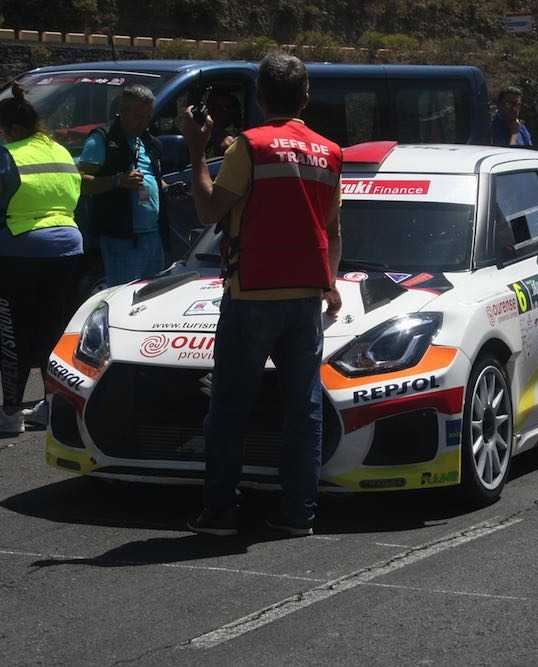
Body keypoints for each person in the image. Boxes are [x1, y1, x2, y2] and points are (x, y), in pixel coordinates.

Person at [181, 52, 343, 538]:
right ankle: (298, 514)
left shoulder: (249, 147)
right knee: (303, 408)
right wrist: (331, 286)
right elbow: (332, 230)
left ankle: (220, 513)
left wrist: (196, 150)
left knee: (230, 405)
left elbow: (209, 211)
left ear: (259, 97)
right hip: (306, 295)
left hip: (251, 291)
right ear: (306, 97)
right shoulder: (330, 152)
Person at [0, 84, 83, 433]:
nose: (1, 137)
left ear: (13, 129)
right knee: (53, 329)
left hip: (17, 251)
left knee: (13, 334)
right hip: (67, 248)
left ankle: (9, 413)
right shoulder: (61, 151)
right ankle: (52, 406)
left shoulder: (7, 154)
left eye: (1, 131)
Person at [79, 85, 168, 286]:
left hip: (153, 236)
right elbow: (80, 183)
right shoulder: (102, 138)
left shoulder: (149, 142)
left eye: (148, 117)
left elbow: (152, 177)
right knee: (125, 296)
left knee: (153, 296)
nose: (144, 123)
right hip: (121, 239)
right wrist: (117, 181)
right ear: (123, 111)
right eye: (138, 117)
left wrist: (164, 187)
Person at [204, 88, 242, 158]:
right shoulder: (203, 135)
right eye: (214, 107)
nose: (217, 112)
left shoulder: (231, 141)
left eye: (227, 108)